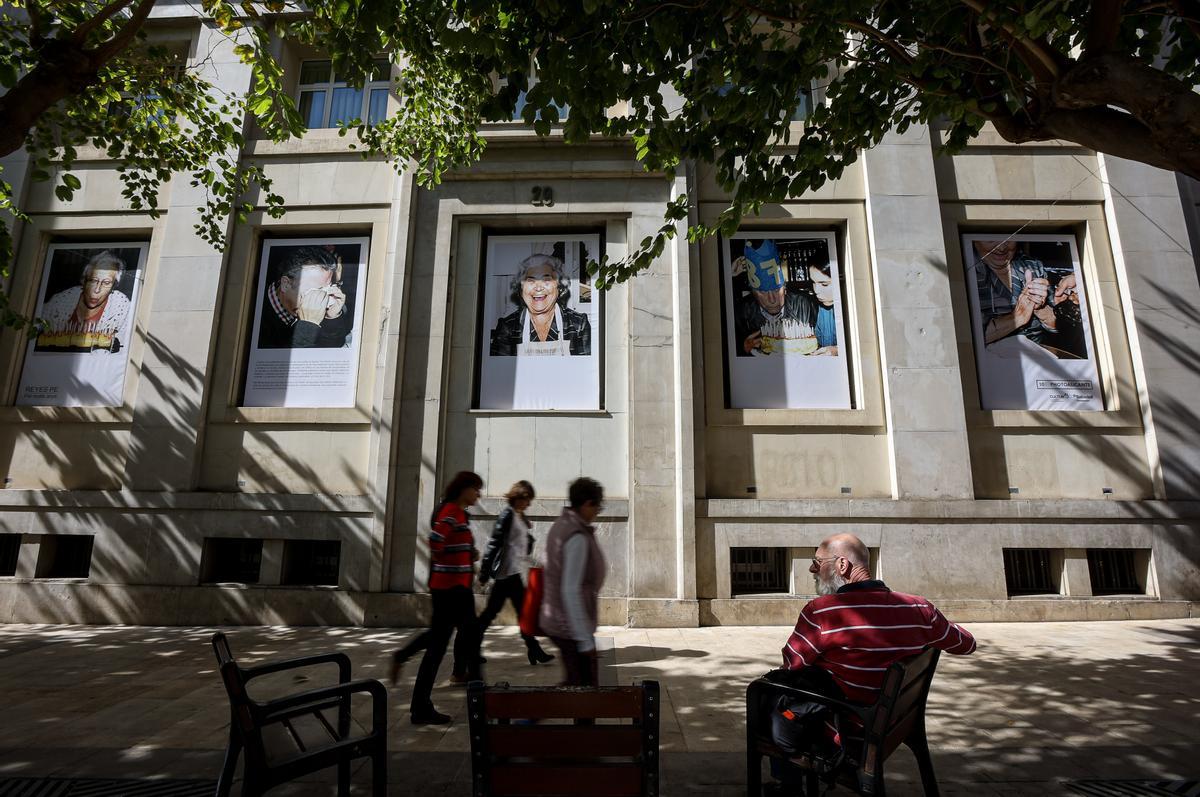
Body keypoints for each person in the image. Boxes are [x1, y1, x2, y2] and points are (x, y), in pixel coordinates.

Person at [767, 533, 976, 786]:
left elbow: (791, 666)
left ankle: (788, 786)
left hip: (847, 730)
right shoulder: (920, 609)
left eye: (817, 562)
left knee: (766, 695)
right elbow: (967, 644)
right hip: (894, 725)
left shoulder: (822, 612)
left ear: (842, 566)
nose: (812, 569)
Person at [389, 471, 485, 725]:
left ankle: (421, 699)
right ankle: (478, 694)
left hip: (455, 588)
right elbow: (435, 542)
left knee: (442, 641)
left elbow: (450, 544)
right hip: (451, 590)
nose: (479, 494)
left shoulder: (459, 513)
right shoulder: (451, 511)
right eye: (476, 488)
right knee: (456, 640)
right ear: (463, 488)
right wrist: (446, 561)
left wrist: (468, 554)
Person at [477, 480, 555, 666]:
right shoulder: (507, 516)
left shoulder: (518, 516)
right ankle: (469, 649)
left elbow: (522, 547)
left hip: (512, 573)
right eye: (527, 499)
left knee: (520, 613)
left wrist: (528, 536)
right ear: (518, 497)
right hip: (506, 575)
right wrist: (484, 573)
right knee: (493, 614)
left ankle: (534, 650)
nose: (529, 504)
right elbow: (494, 545)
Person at [539, 477, 606, 686]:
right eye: (597, 506)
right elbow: (570, 589)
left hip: (561, 621)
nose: (597, 512)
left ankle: (530, 716)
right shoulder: (575, 535)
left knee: (576, 684)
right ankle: (529, 717)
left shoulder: (563, 524)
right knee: (583, 689)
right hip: (567, 625)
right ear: (587, 503)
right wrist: (585, 640)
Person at [971, 239, 1084, 358]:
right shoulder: (966, 274)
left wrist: (1040, 308)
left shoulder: (1031, 266)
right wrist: (1017, 318)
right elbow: (967, 337)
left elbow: (1056, 327)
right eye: (991, 241)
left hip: (1038, 355)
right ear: (976, 241)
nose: (1001, 248)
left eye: (1008, 240)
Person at [489, 253, 592, 356]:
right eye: (530, 281)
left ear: (559, 286)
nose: (538, 288)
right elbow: (499, 369)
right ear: (520, 289)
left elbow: (585, 369)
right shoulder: (508, 327)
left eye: (546, 280)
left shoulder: (578, 325)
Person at [257, 245, 352, 349]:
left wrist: (331, 319)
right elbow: (290, 363)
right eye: (315, 290)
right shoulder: (255, 317)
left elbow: (329, 353)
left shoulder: (320, 306)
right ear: (286, 284)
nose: (323, 299)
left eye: (327, 289)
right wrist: (307, 326)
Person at [37, 250, 132, 351]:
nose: (97, 290)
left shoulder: (121, 305)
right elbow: (34, 326)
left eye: (106, 283)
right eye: (93, 280)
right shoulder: (61, 300)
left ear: (114, 286)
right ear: (84, 280)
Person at [732, 240, 807, 356]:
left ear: (785, 287)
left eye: (777, 290)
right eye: (763, 292)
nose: (772, 300)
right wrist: (743, 349)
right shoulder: (740, 312)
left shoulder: (804, 305)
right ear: (753, 293)